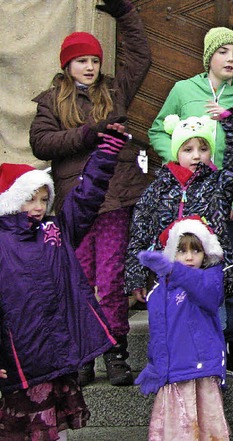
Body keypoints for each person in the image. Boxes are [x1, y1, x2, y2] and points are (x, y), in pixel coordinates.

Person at [29, 0, 152, 387]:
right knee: (79, 279)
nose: (89, 67)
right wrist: (86, 133)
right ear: (67, 65)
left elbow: (141, 56)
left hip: (113, 200)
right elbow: (41, 143)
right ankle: (83, 353)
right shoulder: (51, 101)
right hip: (73, 207)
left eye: (94, 61)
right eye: (81, 61)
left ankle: (115, 350)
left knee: (112, 277)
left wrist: (125, 13)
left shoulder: (114, 91)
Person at [147, 26, 233, 380]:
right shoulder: (184, 90)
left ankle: (231, 347)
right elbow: (157, 130)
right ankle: (184, 345)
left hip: (224, 203)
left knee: (228, 274)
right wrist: (178, 160)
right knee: (183, 270)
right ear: (208, 57)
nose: (230, 59)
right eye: (223, 52)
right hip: (187, 203)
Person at [0, 128, 129, 440]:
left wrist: (106, 154)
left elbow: (86, 199)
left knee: (56, 428)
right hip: (23, 360)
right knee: (27, 430)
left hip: (59, 355)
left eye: (44, 199)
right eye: (29, 199)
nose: (38, 207)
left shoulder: (55, 233)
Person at [126, 108, 233, 362]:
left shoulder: (218, 185)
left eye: (203, 148)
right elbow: (140, 231)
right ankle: (176, 389)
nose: (196, 155)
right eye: (188, 149)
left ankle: (210, 385)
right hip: (170, 279)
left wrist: (231, 123)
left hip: (207, 277)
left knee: (209, 336)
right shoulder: (158, 189)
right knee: (173, 339)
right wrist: (136, 276)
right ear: (176, 152)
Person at [136, 216, 231, 441]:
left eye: (196, 251)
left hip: (201, 374)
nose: (189, 257)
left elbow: (206, 293)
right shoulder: (160, 291)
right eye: (181, 251)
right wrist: (155, 364)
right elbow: (158, 332)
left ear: (205, 253)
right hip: (173, 374)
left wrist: (175, 272)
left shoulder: (210, 278)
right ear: (171, 253)